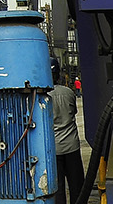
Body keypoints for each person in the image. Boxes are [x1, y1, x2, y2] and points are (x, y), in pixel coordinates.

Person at [50, 61, 84, 204]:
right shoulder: (68, 92)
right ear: (58, 75)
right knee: (76, 185)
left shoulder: (42, 95)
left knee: (58, 189)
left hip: (54, 148)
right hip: (71, 146)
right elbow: (74, 112)